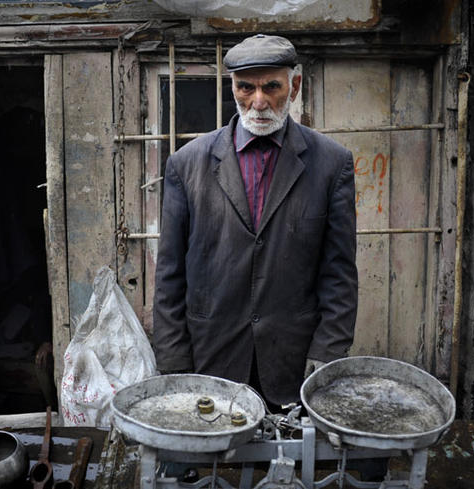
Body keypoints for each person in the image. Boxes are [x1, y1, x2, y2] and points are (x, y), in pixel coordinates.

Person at [152, 34, 358, 409]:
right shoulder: (187, 164)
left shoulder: (332, 163)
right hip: (209, 358)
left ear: (294, 86)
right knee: (205, 465)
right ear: (232, 87)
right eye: (246, 87)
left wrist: (328, 350)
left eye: (271, 87)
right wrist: (174, 362)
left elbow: (339, 274)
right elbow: (169, 275)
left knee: (294, 463)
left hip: (292, 364)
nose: (259, 101)